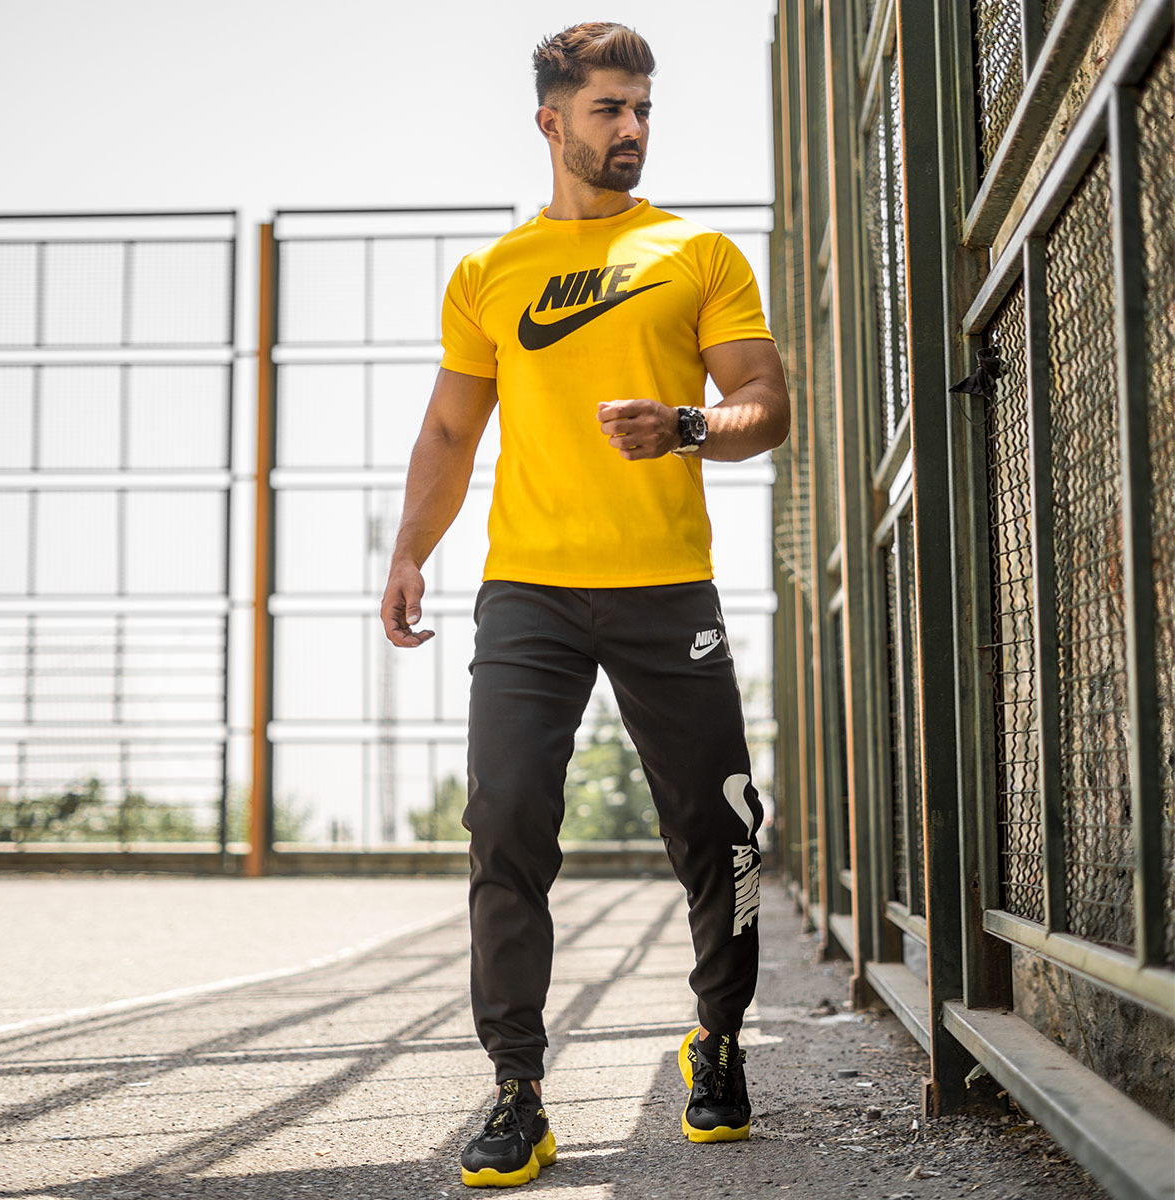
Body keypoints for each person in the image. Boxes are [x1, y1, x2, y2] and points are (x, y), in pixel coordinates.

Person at [380, 21, 791, 1189]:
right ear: (550, 121)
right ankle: (517, 1087)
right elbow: (451, 428)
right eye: (610, 108)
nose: (633, 128)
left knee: (721, 826)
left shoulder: (697, 251)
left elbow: (766, 401)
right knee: (507, 818)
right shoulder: (491, 274)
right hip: (531, 594)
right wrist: (410, 550)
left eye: (644, 107)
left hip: (666, 588)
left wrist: (690, 425)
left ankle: (719, 1043)